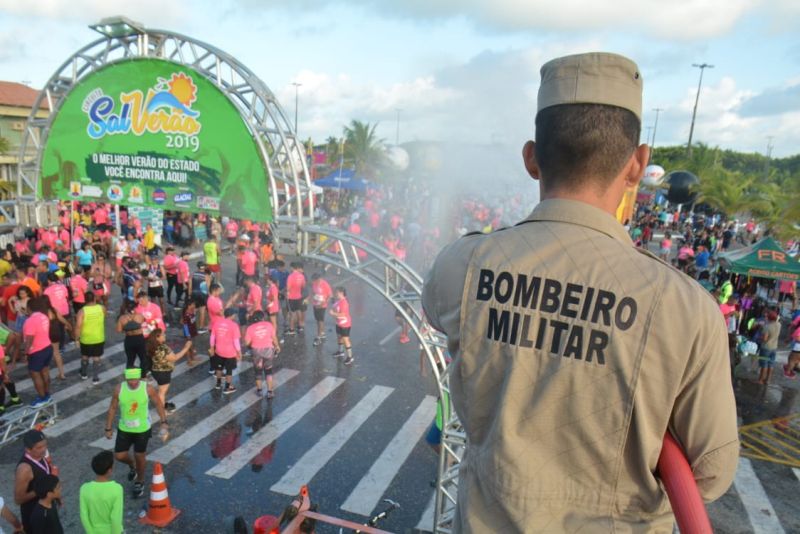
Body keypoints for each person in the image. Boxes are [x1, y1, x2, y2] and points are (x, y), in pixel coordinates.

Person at [421, 52, 738, 531]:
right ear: (637, 164)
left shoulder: (461, 266)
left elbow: (436, 311)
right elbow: (710, 473)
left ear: (531, 158)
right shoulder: (685, 308)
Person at [104, 368, 168, 498]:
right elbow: (112, 408)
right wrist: (108, 428)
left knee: (140, 456)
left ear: (139, 378)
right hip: (124, 428)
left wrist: (163, 421)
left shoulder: (147, 388)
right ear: (126, 379)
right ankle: (132, 465)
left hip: (142, 429)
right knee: (119, 456)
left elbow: (158, 404)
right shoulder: (119, 389)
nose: (133, 382)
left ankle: (140, 480)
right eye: (130, 380)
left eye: (135, 379)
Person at [14, 430, 54, 534]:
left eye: (45, 445)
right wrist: (40, 489)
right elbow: (18, 499)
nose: (44, 449)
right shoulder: (24, 469)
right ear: (28, 450)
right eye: (39, 447)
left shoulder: (41, 455)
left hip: (47, 507)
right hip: (35, 515)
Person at [147, 328, 192, 413]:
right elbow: (174, 358)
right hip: (163, 373)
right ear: (157, 337)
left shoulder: (151, 345)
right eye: (163, 335)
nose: (165, 335)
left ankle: (161, 405)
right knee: (162, 392)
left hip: (156, 370)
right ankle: (161, 411)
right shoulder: (163, 348)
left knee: (161, 391)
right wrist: (186, 347)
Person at [79, 450, 124, 534]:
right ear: (109, 470)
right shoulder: (117, 489)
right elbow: (115, 518)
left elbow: (84, 516)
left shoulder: (84, 489)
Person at [22, 297, 53, 407]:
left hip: (36, 351)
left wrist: (25, 353)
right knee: (45, 372)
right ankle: (47, 393)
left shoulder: (30, 321)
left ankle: (42, 397)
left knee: (35, 375)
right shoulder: (43, 316)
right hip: (47, 347)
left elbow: (29, 339)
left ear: (29, 308)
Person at [244, 311, 280, 398]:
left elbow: (246, 342)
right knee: (268, 371)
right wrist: (277, 346)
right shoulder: (269, 325)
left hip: (256, 351)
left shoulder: (250, 328)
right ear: (262, 318)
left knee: (258, 371)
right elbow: (274, 338)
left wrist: (252, 343)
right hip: (268, 350)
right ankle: (270, 392)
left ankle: (259, 391)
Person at [75, 291, 105, 384]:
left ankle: (84, 373)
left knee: (85, 356)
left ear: (85, 299)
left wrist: (76, 339)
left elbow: (78, 326)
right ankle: (95, 377)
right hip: (99, 337)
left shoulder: (81, 311)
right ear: (94, 299)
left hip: (86, 338)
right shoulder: (102, 308)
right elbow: (104, 317)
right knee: (96, 357)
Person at [209, 308, 242, 394]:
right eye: (234, 314)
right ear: (232, 315)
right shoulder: (234, 325)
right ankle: (227, 387)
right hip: (230, 353)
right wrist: (239, 352)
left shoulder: (217, 323)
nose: (235, 316)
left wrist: (212, 348)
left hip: (218, 351)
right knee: (229, 370)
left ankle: (218, 384)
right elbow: (236, 341)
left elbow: (212, 337)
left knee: (219, 368)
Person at [329, 286, 353, 365]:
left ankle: (350, 357)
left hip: (345, 324)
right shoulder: (339, 301)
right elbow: (334, 306)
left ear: (341, 293)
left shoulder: (344, 303)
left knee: (345, 339)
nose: (336, 294)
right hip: (339, 323)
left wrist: (333, 314)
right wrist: (332, 302)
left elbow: (343, 314)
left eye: (337, 293)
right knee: (339, 337)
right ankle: (340, 351)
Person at [757, 309, 780, 384]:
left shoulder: (767, 327)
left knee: (764, 364)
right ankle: (768, 380)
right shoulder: (779, 325)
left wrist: (759, 337)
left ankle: (760, 380)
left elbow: (764, 339)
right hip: (774, 347)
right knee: (771, 364)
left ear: (769, 318)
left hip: (766, 347)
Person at [310, 273, 332, 346]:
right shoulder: (314, 284)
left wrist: (323, 303)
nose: (313, 282)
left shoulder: (325, 284)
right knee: (317, 320)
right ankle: (322, 333)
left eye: (314, 281)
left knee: (320, 320)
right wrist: (312, 297)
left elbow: (330, 296)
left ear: (318, 279)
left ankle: (319, 336)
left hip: (322, 305)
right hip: (315, 304)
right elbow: (313, 292)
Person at [285, 262, 306, 335]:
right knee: (298, 311)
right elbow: (303, 286)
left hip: (291, 297)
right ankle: (300, 326)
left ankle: (291, 329)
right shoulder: (301, 276)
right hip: (299, 296)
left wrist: (287, 293)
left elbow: (288, 288)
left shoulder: (290, 276)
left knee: (292, 313)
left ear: (292, 268)